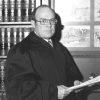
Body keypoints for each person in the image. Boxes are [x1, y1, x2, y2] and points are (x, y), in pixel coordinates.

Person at [5, 5, 83, 100]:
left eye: (52, 20)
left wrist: (75, 83)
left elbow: (70, 74)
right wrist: (53, 92)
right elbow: (18, 90)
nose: (49, 25)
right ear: (33, 24)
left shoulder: (60, 47)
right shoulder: (21, 50)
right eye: (43, 21)